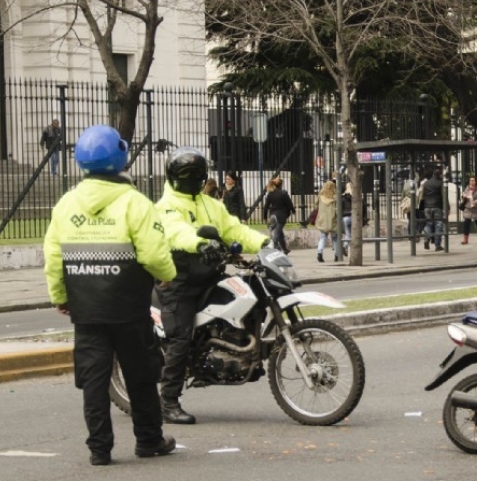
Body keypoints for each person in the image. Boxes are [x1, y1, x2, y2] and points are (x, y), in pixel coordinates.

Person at [43, 124, 177, 466]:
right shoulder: (135, 202)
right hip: (129, 306)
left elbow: (53, 257)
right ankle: (149, 440)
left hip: (86, 308)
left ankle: (99, 449)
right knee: (141, 374)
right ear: (120, 157)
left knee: (93, 379)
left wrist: (60, 296)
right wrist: (166, 277)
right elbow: (153, 252)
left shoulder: (66, 204)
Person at [155, 148, 269, 425]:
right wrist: (200, 244)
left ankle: (240, 351)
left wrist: (265, 243)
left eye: (196, 176)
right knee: (180, 337)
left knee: (252, 295)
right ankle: (168, 401)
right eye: (186, 177)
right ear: (173, 178)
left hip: (208, 276)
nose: (192, 181)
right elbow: (175, 231)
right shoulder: (166, 206)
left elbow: (234, 229)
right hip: (178, 280)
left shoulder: (211, 204)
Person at [264, 177, 295, 253]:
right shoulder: (283, 193)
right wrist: (293, 210)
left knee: (280, 232)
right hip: (281, 215)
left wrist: (265, 217)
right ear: (281, 185)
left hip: (273, 215)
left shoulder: (270, 194)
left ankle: (285, 249)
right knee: (277, 232)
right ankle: (274, 244)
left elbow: (266, 206)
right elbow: (289, 203)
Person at [420, 168, 445, 252]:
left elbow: (422, 196)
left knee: (428, 224)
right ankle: (437, 245)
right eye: (441, 175)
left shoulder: (426, 183)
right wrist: (446, 207)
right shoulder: (440, 183)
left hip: (427, 206)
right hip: (437, 206)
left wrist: (421, 208)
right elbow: (443, 196)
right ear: (438, 175)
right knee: (438, 224)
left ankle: (426, 239)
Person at [315, 180, 339, 262]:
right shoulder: (335, 198)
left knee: (323, 237)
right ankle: (336, 255)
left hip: (323, 219)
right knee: (335, 238)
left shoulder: (320, 196)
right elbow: (338, 209)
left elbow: (316, 205)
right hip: (333, 220)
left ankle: (319, 253)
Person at [460, 175, 477, 244]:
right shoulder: (467, 188)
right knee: (467, 222)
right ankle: (465, 239)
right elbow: (464, 195)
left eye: (473, 181)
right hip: (468, 208)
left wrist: (475, 202)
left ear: (475, 182)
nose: (471, 182)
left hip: (476, 209)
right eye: (470, 181)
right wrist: (464, 196)